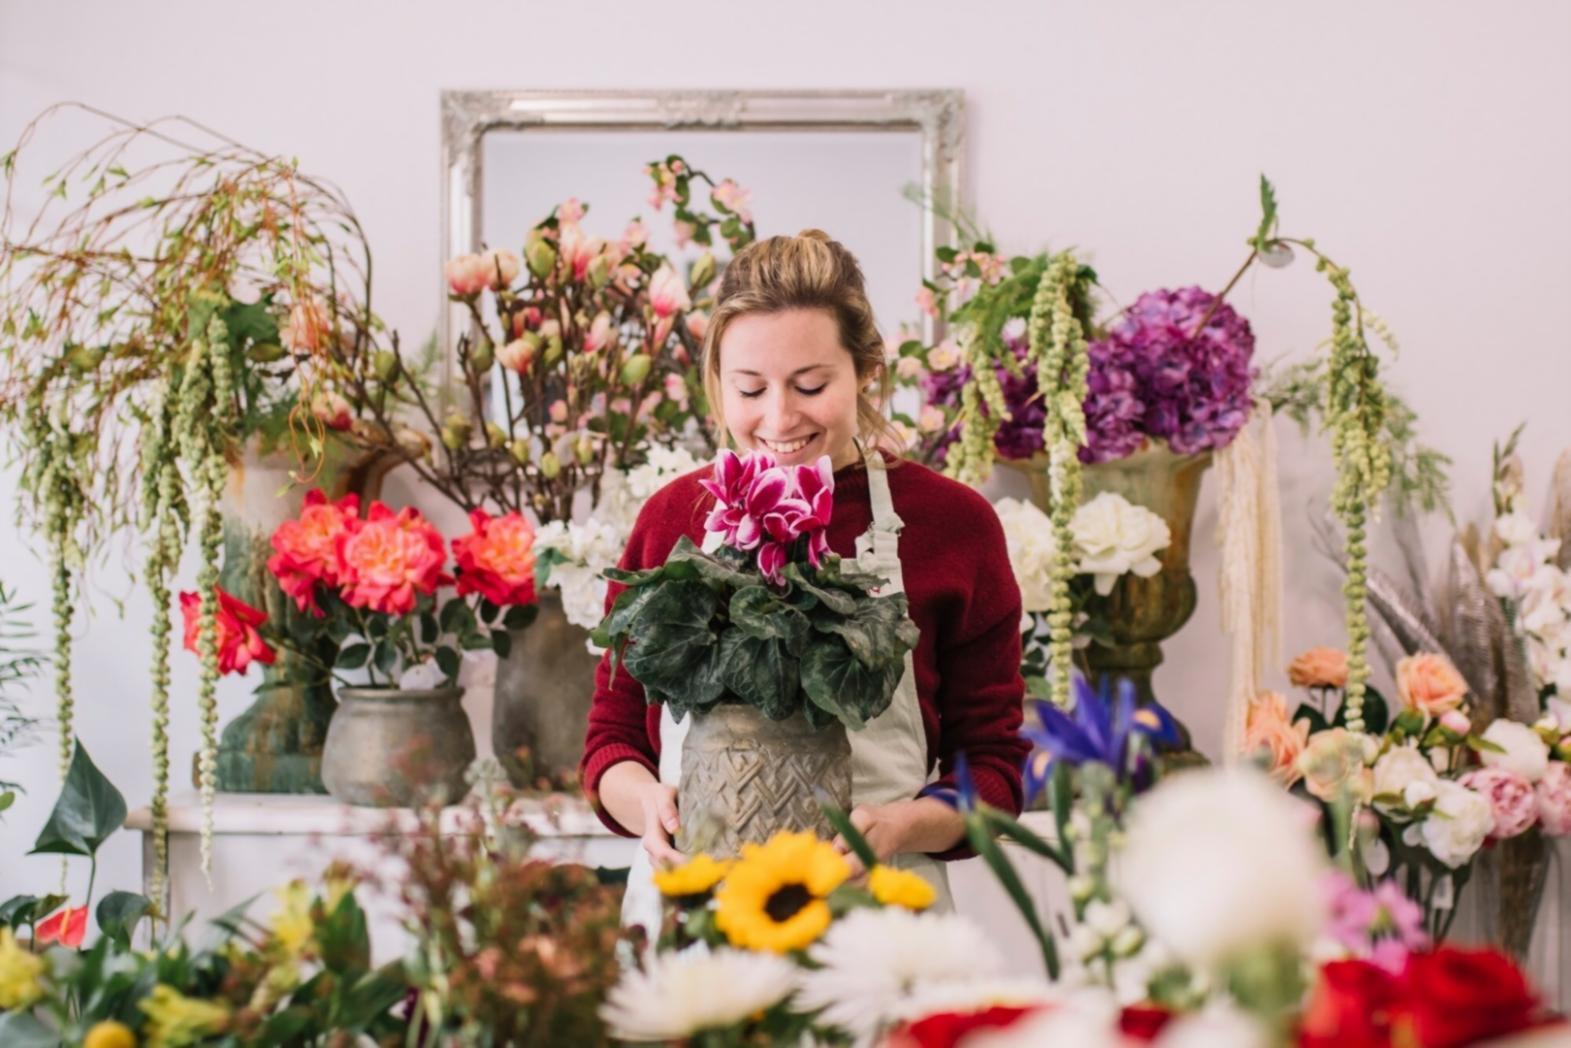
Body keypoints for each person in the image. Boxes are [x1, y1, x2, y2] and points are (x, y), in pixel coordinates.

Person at [580, 228, 1028, 929]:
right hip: (692, 911)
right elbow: (612, 739)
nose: (779, 419)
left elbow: (994, 768)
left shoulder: (951, 525)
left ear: (867, 372)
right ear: (716, 380)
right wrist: (651, 810)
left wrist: (901, 827)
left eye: (811, 385)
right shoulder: (672, 518)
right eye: (750, 388)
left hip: (879, 914)